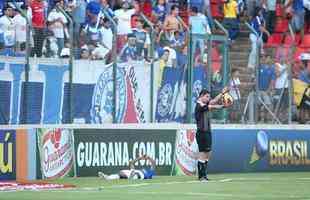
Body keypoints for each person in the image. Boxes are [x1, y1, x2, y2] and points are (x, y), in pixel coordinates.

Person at [195, 87, 230, 181]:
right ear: (201, 96)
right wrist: (223, 106)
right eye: (206, 97)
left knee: (208, 154)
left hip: (207, 132)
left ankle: (204, 175)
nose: (208, 99)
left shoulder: (204, 103)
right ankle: (201, 176)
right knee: (202, 154)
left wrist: (222, 93)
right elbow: (212, 106)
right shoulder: (199, 106)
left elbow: (213, 101)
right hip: (202, 132)